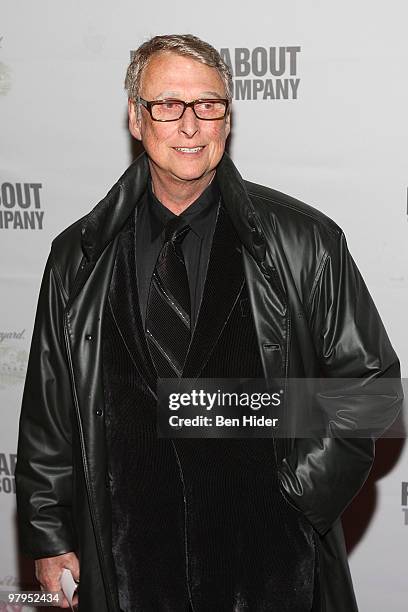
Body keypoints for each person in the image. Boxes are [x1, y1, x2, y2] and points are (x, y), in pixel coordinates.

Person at [15, 34, 400, 612]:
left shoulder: (304, 243)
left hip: (267, 569)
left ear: (227, 119)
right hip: (129, 568)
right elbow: (50, 416)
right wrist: (49, 534)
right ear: (136, 119)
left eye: (208, 105)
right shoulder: (78, 257)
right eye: (167, 105)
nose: (190, 125)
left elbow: (371, 393)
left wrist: (296, 498)